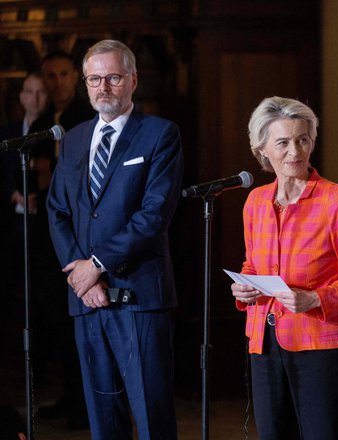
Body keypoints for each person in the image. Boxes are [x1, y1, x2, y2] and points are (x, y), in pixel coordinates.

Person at [46, 39, 183, 439]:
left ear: (133, 80)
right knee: (103, 417)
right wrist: (80, 275)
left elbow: (153, 215)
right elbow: (57, 210)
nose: (102, 87)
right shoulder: (72, 139)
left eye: (112, 77)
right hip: (87, 299)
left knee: (151, 413)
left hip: (139, 298)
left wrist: (97, 265)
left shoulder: (159, 134)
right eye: (94, 79)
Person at [231, 96, 338, 439]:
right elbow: (253, 263)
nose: (295, 151)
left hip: (321, 346)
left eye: (303, 140)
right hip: (264, 343)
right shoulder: (255, 202)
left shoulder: (335, 198)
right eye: (283, 142)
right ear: (262, 149)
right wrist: (245, 286)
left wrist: (316, 298)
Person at [28, 51, 95, 431]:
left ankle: (85, 404)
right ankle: (70, 398)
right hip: (45, 237)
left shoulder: (86, 119)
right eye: (49, 75)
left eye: (63, 74)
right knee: (55, 321)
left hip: (82, 236)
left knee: (80, 323)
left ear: (76, 77)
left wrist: (49, 171)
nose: (56, 82)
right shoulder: (39, 123)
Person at [0, 72, 48, 361]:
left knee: (41, 296)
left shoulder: (55, 131)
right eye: (29, 92)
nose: (35, 98)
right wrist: (12, 195)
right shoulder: (6, 133)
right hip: (11, 224)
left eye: (40, 91)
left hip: (42, 227)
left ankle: (41, 364)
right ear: (20, 97)